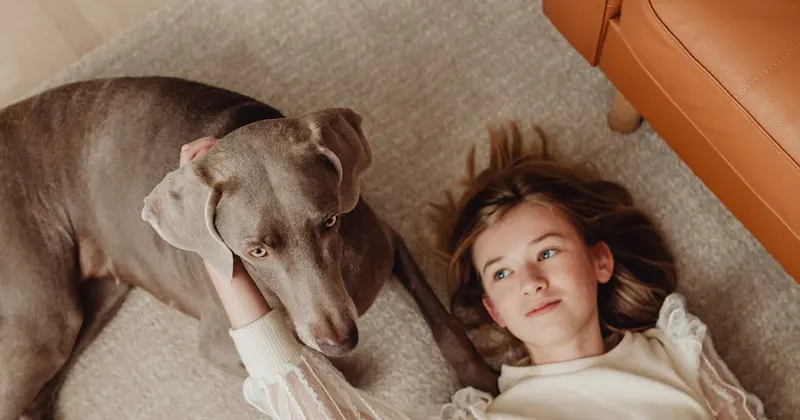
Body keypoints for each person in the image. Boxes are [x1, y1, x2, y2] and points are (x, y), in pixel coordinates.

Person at [179, 122, 768, 419]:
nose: (531, 280)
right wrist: (217, 249)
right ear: (493, 309)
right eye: (503, 275)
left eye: (547, 252)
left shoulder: (680, 350)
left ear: (601, 260)